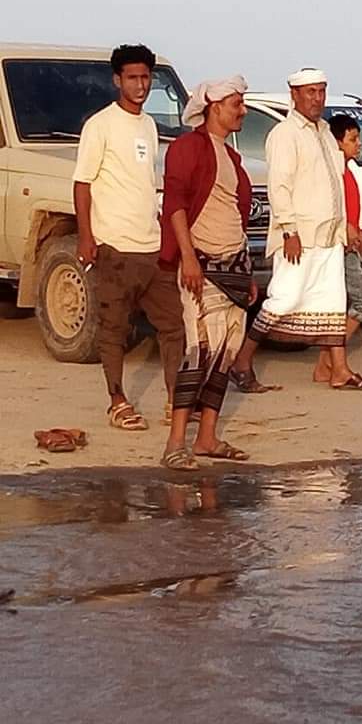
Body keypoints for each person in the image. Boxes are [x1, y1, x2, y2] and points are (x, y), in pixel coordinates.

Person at [231, 68, 362, 391]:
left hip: (329, 236)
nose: (316, 98)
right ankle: (242, 361)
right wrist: (289, 231)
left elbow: (335, 184)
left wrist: (346, 226)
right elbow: (279, 187)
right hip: (300, 237)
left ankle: (339, 369)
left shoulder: (325, 131)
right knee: (282, 300)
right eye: (310, 92)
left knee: (332, 303)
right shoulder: (285, 134)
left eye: (321, 91)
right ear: (294, 94)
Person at [73, 44, 184, 432]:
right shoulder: (100, 125)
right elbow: (83, 184)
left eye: (145, 77)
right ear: (118, 80)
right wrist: (87, 237)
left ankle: (175, 399)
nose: (140, 85)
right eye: (133, 78)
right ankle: (117, 400)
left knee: (173, 324)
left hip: (150, 244)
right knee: (114, 328)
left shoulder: (149, 125)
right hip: (114, 244)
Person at [160, 75, 259, 470]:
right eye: (237, 103)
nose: (243, 110)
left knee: (226, 354)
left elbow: (236, 218)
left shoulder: (230, 157)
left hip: (233, 265)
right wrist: (187, 256)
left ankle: (206, 438)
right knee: (198, 352)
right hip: (203, 264)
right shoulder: (188, 148)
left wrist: (247, 273)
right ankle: (174, 442)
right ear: (215, 106)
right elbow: (175, 204)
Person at [326, 113, 362, 387]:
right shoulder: (334, 172)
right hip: (340, 246)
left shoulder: (347, 170)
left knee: (343, 305)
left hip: (348, 244)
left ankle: (330, 364)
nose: (358, 144)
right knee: (361, 303)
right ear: (338, 142)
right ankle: (332, 363)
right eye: (352, 138)